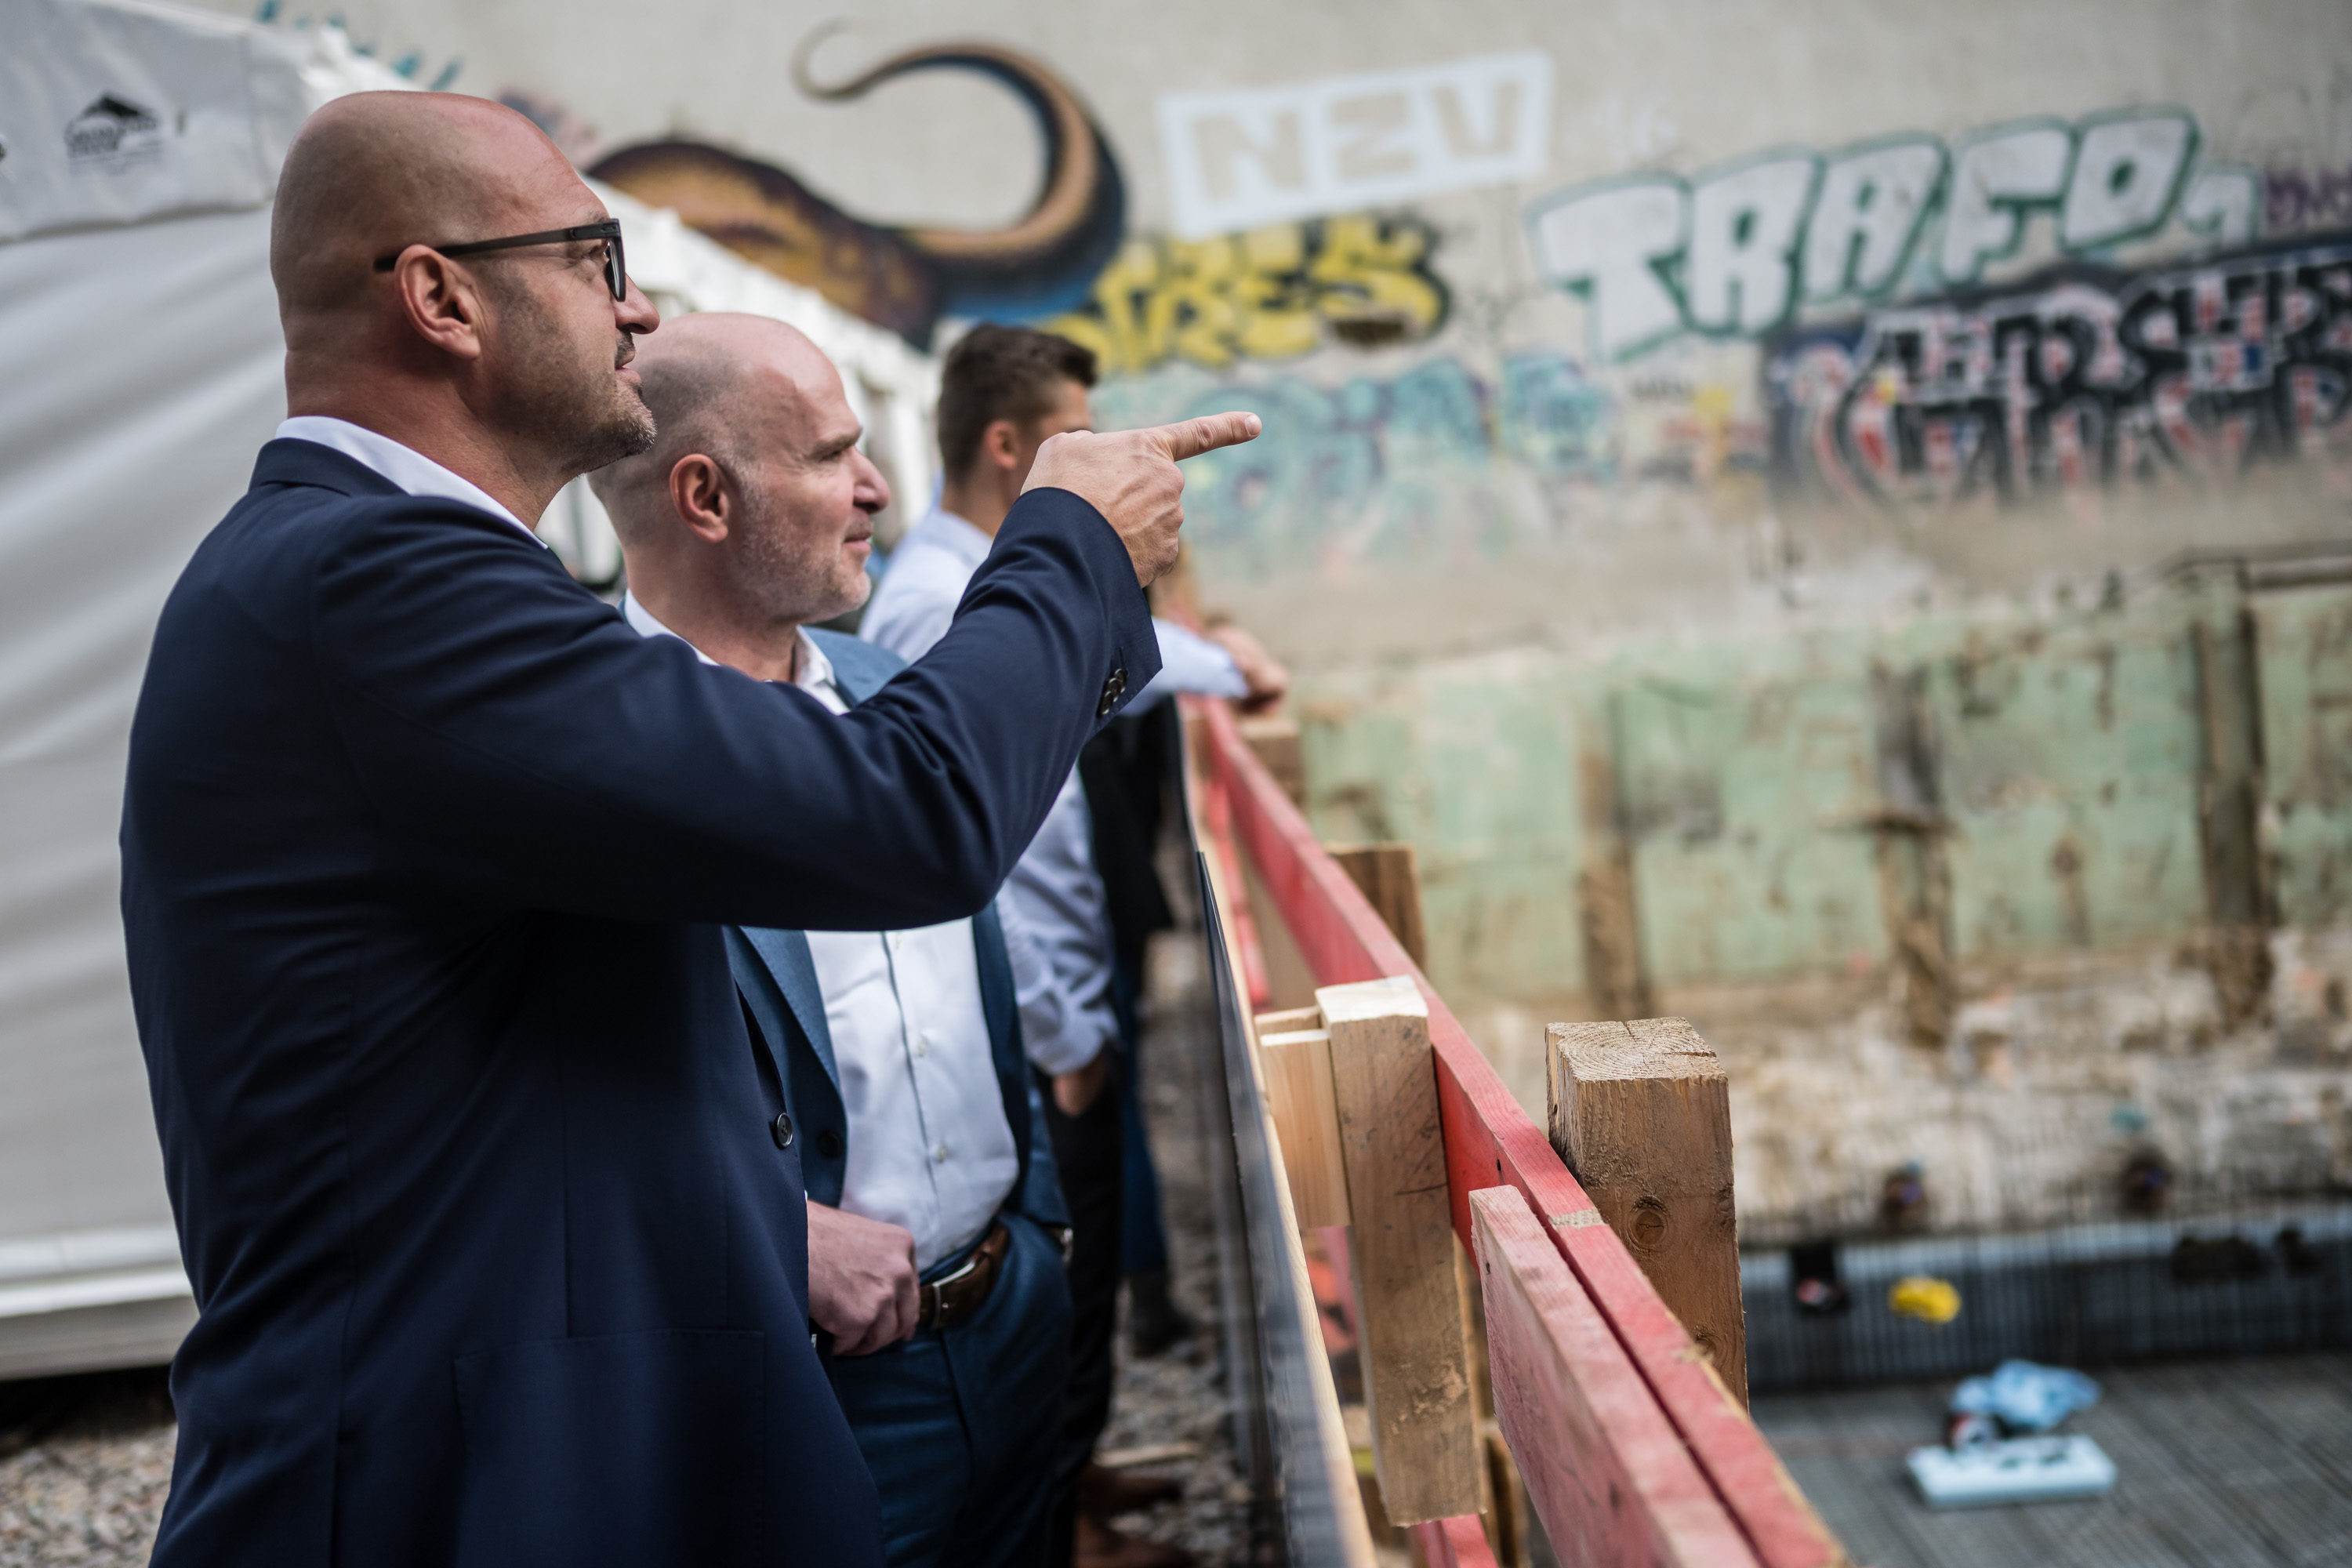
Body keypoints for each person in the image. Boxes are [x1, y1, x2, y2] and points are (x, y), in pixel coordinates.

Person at [118, 92, 1257, 1568]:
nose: (639, 309)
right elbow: (907, 814)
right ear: (443, 298)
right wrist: (1072, 546)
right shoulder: (377, 585)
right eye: (594, 258)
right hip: (469, 1488)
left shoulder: (391, 578)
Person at [588, 313, 1108, 1567]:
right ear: (706, 497)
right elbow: (542, 1105)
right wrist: (770, 1241)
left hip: (1010, 1312)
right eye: (832, 455)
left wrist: (1033, 1232)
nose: (878, 489)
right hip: (816, 1384)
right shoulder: (588, 754)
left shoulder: (889, 696)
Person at [862, 325, 1287, 1568]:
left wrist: (1217, 668)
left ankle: (1078, 1485)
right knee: (1065, 1268)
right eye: (1079, 436)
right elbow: (965, 859)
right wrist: (1056, 1032)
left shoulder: (981, 580)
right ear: (1012, 447)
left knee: (1080, 1272)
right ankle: (1065, 1521)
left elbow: (1106, 668)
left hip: (1060, 1001)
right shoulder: (932, 602)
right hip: (1042, 1019)